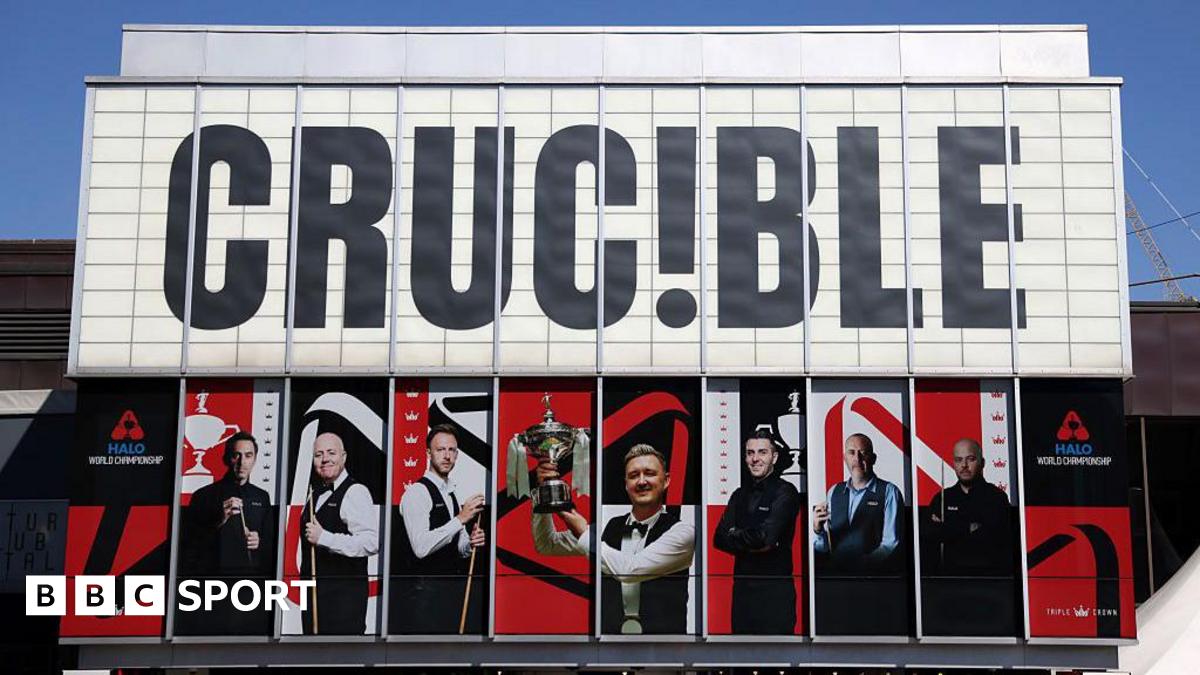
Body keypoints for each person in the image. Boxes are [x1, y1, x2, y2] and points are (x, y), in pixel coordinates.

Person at [531, 444, 695, 634]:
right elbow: (547, 544)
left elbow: (630, 570)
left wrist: (584, 533)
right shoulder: (607, 527)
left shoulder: (683, 533)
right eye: (634, 475)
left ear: (666, 480)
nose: (642, 481)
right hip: (609, 645)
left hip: (665, 649)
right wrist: (543, 491)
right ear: (626, 484)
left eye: (649, 473)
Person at [392, 424, 487, 633]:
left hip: (449, 595)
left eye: (451, 450)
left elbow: (458, 546)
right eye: (440, 450)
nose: (447, 456)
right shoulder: (417, 493)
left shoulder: (450, 493)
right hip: (422, 598)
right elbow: (421, 547)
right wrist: (460, 519)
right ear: (428, 453)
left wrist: (470, 543)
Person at [178, 432, 274, 633]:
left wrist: (259, 542)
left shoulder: (262, 497)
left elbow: (273, 546)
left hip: (250, 587)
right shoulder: (204, 496)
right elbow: (189, 548)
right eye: (236, 455)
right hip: (214, 586)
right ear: (227, 458)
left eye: (248, 456)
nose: (242, 462)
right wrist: (219, 520)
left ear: (255, 459)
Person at [713, 430, 802, 634]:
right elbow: (719, 539)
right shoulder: (739, 494)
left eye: (762, 452)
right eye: (749, 453)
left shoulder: (786, 492)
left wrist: (736, 533)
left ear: (774, 457)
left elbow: (765, 539)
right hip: (743, 597)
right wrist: (751, 538)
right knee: (740, 662)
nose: (755, 459)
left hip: (775, 597)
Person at [301, 431, 379, 635]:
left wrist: (324, 538)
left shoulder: (356, 491)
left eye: (331, 453)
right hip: (313, 601)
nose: (325, 458)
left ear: (343, 457)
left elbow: (371, 542)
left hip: (343, 605)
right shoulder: (314, 493)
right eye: (318, 454)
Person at [811, 433, 904, 572]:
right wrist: (818, 531)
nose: (857, 459)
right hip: (838, 579)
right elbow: (825, 547)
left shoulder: (889, 492)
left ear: (873, 459)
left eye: (863, 453)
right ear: (844, 458)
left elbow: (891, 544)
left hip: (875, 578)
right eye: (851, 453)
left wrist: (861, 566)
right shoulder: (834, 492)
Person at [925, 438, 1013, 576]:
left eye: (970, 459)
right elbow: (931, 536)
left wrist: (948, 528)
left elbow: (994, 538)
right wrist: (969, 527)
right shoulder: (942, 498)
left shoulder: (997, 497)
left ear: (982, 463)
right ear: (954, 464)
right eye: (959, 460)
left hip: (990, 578)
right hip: (948, 578)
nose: (964, 465)